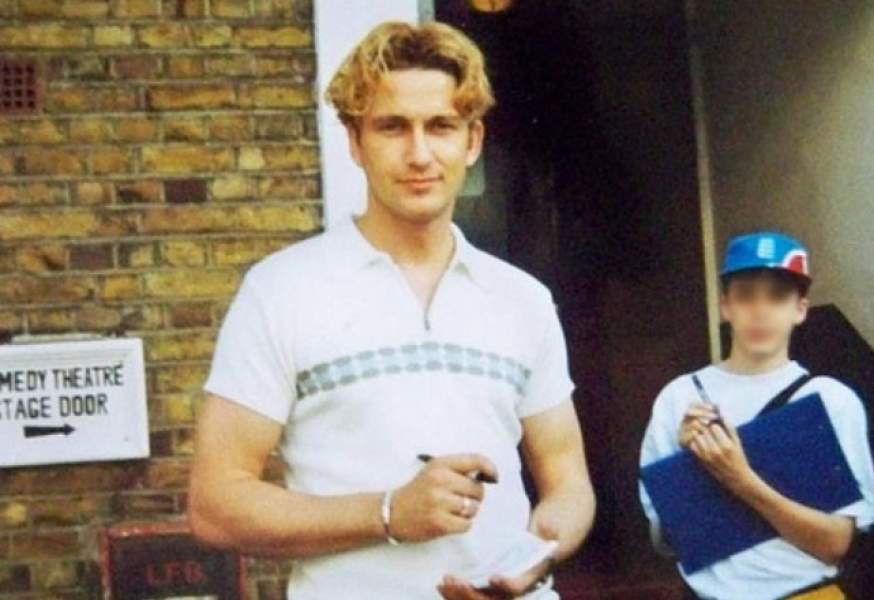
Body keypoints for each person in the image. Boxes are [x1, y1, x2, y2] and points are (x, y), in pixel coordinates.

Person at [188, 20, 595, 600]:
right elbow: (215, 504)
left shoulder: (521, 298)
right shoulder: (281, 291)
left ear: (472, 141)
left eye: (441, 126)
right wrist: (388, 512)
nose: (419, 154)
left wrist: (533, 559)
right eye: (392, 127)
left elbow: (568, 484)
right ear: (355, 142)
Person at [639, 232, 874, 600]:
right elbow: (665, 541)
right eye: (746, 295)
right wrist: (686, 468)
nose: (761, 311)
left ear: (800, 309)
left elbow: (835, 544)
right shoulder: (679, 398)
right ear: (725, 306)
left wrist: (741, 479)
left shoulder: (830, 399)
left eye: (777, 296)